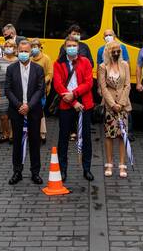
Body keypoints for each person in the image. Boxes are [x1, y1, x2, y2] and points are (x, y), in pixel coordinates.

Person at [53, 36, 95, 182]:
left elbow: (88, 82)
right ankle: (62, 170)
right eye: (69, 45)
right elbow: (58, 85)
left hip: (85, 104)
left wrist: (74, 95)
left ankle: (87, 169)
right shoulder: (58, 63)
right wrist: (72, 101)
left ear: (78, 47)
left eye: (74, 45)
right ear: (64, 47)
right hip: (67, 104)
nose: (71, 47)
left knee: (86, 138)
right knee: (63, 138)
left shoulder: (85, 62)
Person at [5, 38, 44, 184]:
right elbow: (7, 90)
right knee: (17, 142)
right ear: (16, 51)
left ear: (30, 52)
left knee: (35, 142)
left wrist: (29, 106)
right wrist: (19, 105)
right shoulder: (11, 69)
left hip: (33, 111)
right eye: (20, 51)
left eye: (26, 51)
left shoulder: (38, 69)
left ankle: (35, 172)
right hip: (17, 111)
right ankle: (17, 172)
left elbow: (40, 90)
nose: (23, 54)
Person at [98, 39, 132, 179]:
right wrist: (112, 104)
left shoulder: (124, 65)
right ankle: (109, 163)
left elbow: (128, 85)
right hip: (109, 105)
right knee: (109, 135)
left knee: (122, 134)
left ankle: (123, 164)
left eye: (119, 51)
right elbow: (103, 87)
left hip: (123, 105)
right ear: (108, 52)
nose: (117, 53)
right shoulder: (102, 67)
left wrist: (121, 103)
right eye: (114, 51)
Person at [30, 37, 54, 141]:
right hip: (30, 89)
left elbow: (50, 74)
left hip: (41, 89)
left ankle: (42, 133)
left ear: (40, 47)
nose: (34, 48)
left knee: (40, 110)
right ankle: (33, 132)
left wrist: (41, 82)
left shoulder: (46, 58)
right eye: (32, 46)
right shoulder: (29, 59)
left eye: (36, 46)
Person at [0, 38, 18, 143]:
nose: (8, 48)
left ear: (15, 48)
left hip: (15, 91)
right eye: (6, 46)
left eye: (10, 46)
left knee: (14, 114)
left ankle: (11, 134)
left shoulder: (18, 60)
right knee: (3, 115)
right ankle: (4, 134)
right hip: (2, 90)